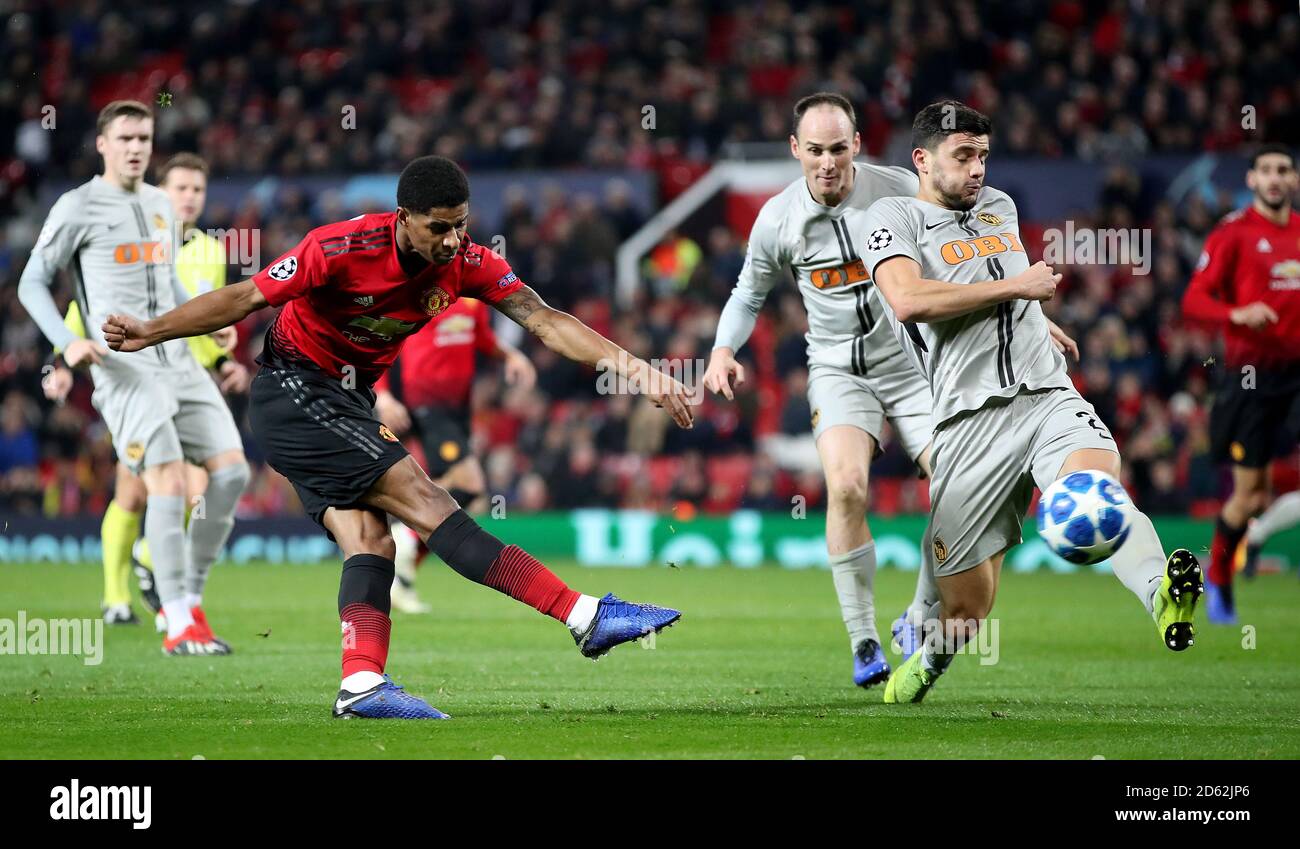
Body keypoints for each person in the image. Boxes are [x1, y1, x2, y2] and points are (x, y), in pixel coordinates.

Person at [102, 155, 691, 719]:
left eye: (461, 225)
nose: (453, 240)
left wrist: (637, 369)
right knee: (430, 502)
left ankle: (361, 684)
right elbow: (245, 296)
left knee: (370, 540)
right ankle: (584, 615)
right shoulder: (339, 247)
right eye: (439, 228)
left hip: (345, 400)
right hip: (294, 391)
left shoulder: (466, 262)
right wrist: (152, 330)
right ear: (403, 217)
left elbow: (543, 318)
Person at [703, 93, 1081, 688]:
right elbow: (748, 293)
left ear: (856, 145)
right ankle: (863, 640)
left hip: (914, 367)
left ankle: (920, 611)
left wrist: (1032, 317)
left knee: (957, 482)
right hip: (837, 370)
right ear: (796, 151)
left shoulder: (901, 188)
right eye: (815, 152)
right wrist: (724, 349)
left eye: (838, 149)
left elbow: (972, 256)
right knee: (848, 487)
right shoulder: (777, 218)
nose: (827, 164)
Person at [859, 100, 1202, 704]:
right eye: (961, 157)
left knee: (1097, 494)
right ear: (921, 160)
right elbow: (909, 299)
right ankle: (927, 660)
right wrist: (1020, 289)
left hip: (1045, 395)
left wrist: (1032, 318)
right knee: (969, 607)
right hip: (968, 423)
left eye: (983, 156)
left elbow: (993, 281)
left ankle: (1161, 595)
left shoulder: (999, 207)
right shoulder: (890, 217)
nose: (976, 170)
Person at [19, 101, 250, 655]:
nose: (136, 147)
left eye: (144, 137)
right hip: (122, 366)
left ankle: (186, 595)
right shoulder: (78, 207)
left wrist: (208, 321)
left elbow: (166, 278)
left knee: (233, 473)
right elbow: (31, 282)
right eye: (124, 137)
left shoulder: (157, 203)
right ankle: (176, 622)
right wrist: (66, 341)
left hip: (177, 359)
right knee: (166, 479)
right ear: (103, 144)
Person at [1181, 144, 1300, 620]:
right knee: (1250, 496)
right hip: (1254, 381)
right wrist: (1238, 313)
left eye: (1284, 170)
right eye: (1266, 170)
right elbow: (1193, 301)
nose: (1275, 178)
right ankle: (1222, 576)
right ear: (1251, 180)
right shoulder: (1234, 233)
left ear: (1293, 179)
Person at [374, 296, 537, 613]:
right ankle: (404, 533)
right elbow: (384, 341)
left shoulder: (471, 302)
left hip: (459, 409)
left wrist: (512, 355)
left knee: (448, 497)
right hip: (427, 403)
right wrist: (383, 395)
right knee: (471, 483)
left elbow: (483, 339)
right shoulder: (417, 296)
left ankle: (402, 579)